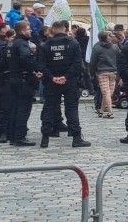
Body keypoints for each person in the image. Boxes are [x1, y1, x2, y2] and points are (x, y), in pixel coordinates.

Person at [38, 20, 89, 148]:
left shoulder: (45, 45)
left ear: (53, 30)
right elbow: (77, 64)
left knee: (49, 108)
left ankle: (45, 138)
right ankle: (76, 138)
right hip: (70, 81)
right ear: (65, 30)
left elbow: (41, 66)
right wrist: (65, 77)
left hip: (51, 82)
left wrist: (52, 77)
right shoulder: (73, 43)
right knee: (71, 109)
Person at [1, 24, 39, 147]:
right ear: (22, 31)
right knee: (23, 109)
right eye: (28, 29)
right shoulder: (22, 44)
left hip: (13, 78)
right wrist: (35, 69)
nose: (31, 30)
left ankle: (12, 135)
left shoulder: (11, 43)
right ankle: (20, 136)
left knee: (15, 108)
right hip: (23, 79)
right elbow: (26, 58)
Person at [91, 31, 121, 119]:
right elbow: (120, 60)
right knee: (108, 93)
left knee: (106, 92)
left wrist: (92, 73)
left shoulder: (97, 48)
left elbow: (93, 62)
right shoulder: (115, 47)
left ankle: (109, 111)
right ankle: (104, 110)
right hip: (113, 73)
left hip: (102, 72)